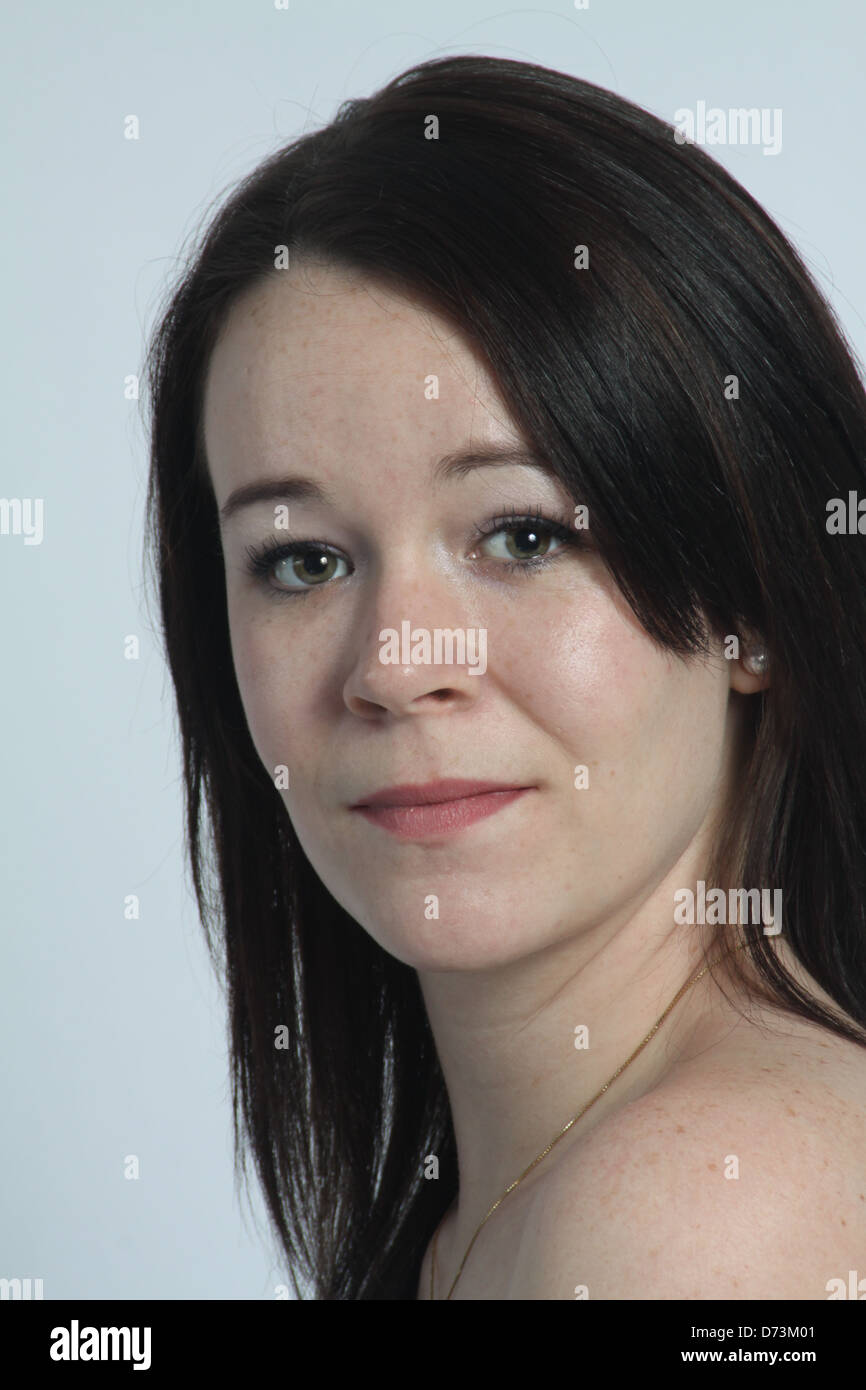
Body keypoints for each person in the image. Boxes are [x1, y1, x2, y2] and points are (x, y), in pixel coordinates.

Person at [144, 55, 866, 1300]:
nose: (394, 666)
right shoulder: (508, 1213)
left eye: (522, 536)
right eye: (302, 559)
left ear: (748, 598)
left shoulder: (700, 1222)